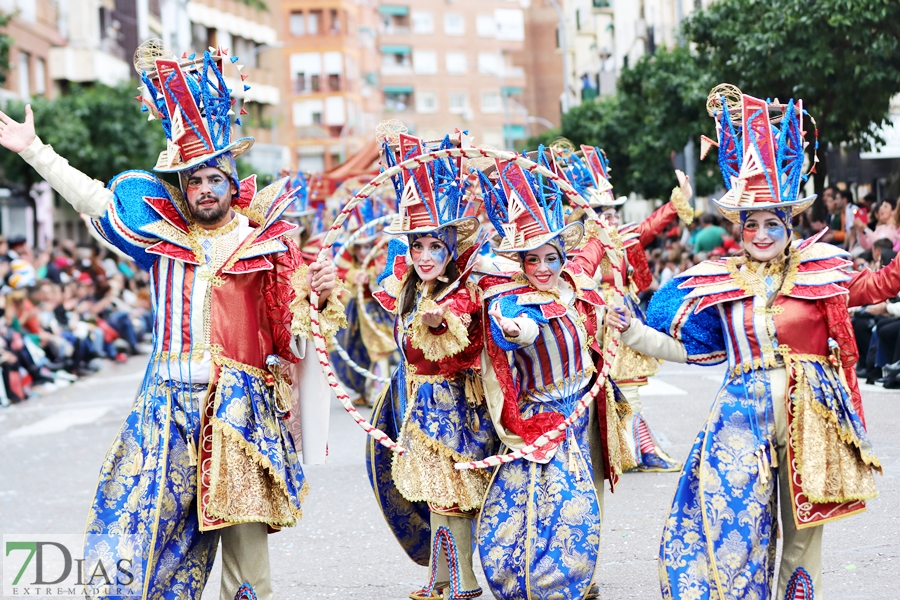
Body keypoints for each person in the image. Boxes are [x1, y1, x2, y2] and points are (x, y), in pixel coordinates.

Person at [0, 46, 346, 600]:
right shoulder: (159, 240)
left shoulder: (266, 245)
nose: (203, 189)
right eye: (192, 181)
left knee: (245, 553)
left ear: (232, 181)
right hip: (163, 406)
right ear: (181, 188)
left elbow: (290, 333)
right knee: (135, 539)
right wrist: (34, 149)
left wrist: (320, 297)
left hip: (239, 412)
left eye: (213, 177)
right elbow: (92, 196)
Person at [607, 89, 900, 600]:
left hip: (812, 417)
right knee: (734, 537)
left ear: (789, 225)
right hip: (737, 421)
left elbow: (877, 287)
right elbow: (693, 351)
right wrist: (630, 330)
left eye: (772, 223)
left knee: (803, 538)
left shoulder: (822, 270)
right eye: (751, 223)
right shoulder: (720, 282)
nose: (761, 234)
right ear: (739, 228)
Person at [477, 155, 633, 600]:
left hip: (585, 408)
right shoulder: (509, 300)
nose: (542, 268)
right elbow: (517, 330)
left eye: (550, 257)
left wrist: (598, 221)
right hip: (544, 418)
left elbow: (597, 246)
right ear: (520, 262)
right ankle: (548, 584)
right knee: (553, 506)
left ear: (563, 257)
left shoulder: (575, 281)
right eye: (532, 259)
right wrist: (512, 332)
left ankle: (580, 577)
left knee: (588, 497)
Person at [366, 133, 495, 600]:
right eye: (416, 247)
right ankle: (441, 579)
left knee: (454, 494)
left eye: (433, 248)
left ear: (449, 250)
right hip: (420, 405)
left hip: (455, 406)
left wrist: (439, 326)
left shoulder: (461, 293)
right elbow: (386, 285)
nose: (423, 256)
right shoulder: (411, 289)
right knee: (433, 492)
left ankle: (464, 579)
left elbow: (456, 341)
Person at [563, 144, 693, 471]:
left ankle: (633, 452)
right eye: (603, 213)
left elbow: (649, 226)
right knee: (611, 394)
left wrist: (676, 201)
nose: (612, 218)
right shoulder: (575, 248)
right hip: (600, 328)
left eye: (614, 212)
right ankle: (630, 452)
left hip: (625, 323)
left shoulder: (621, 239)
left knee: (628, 391)